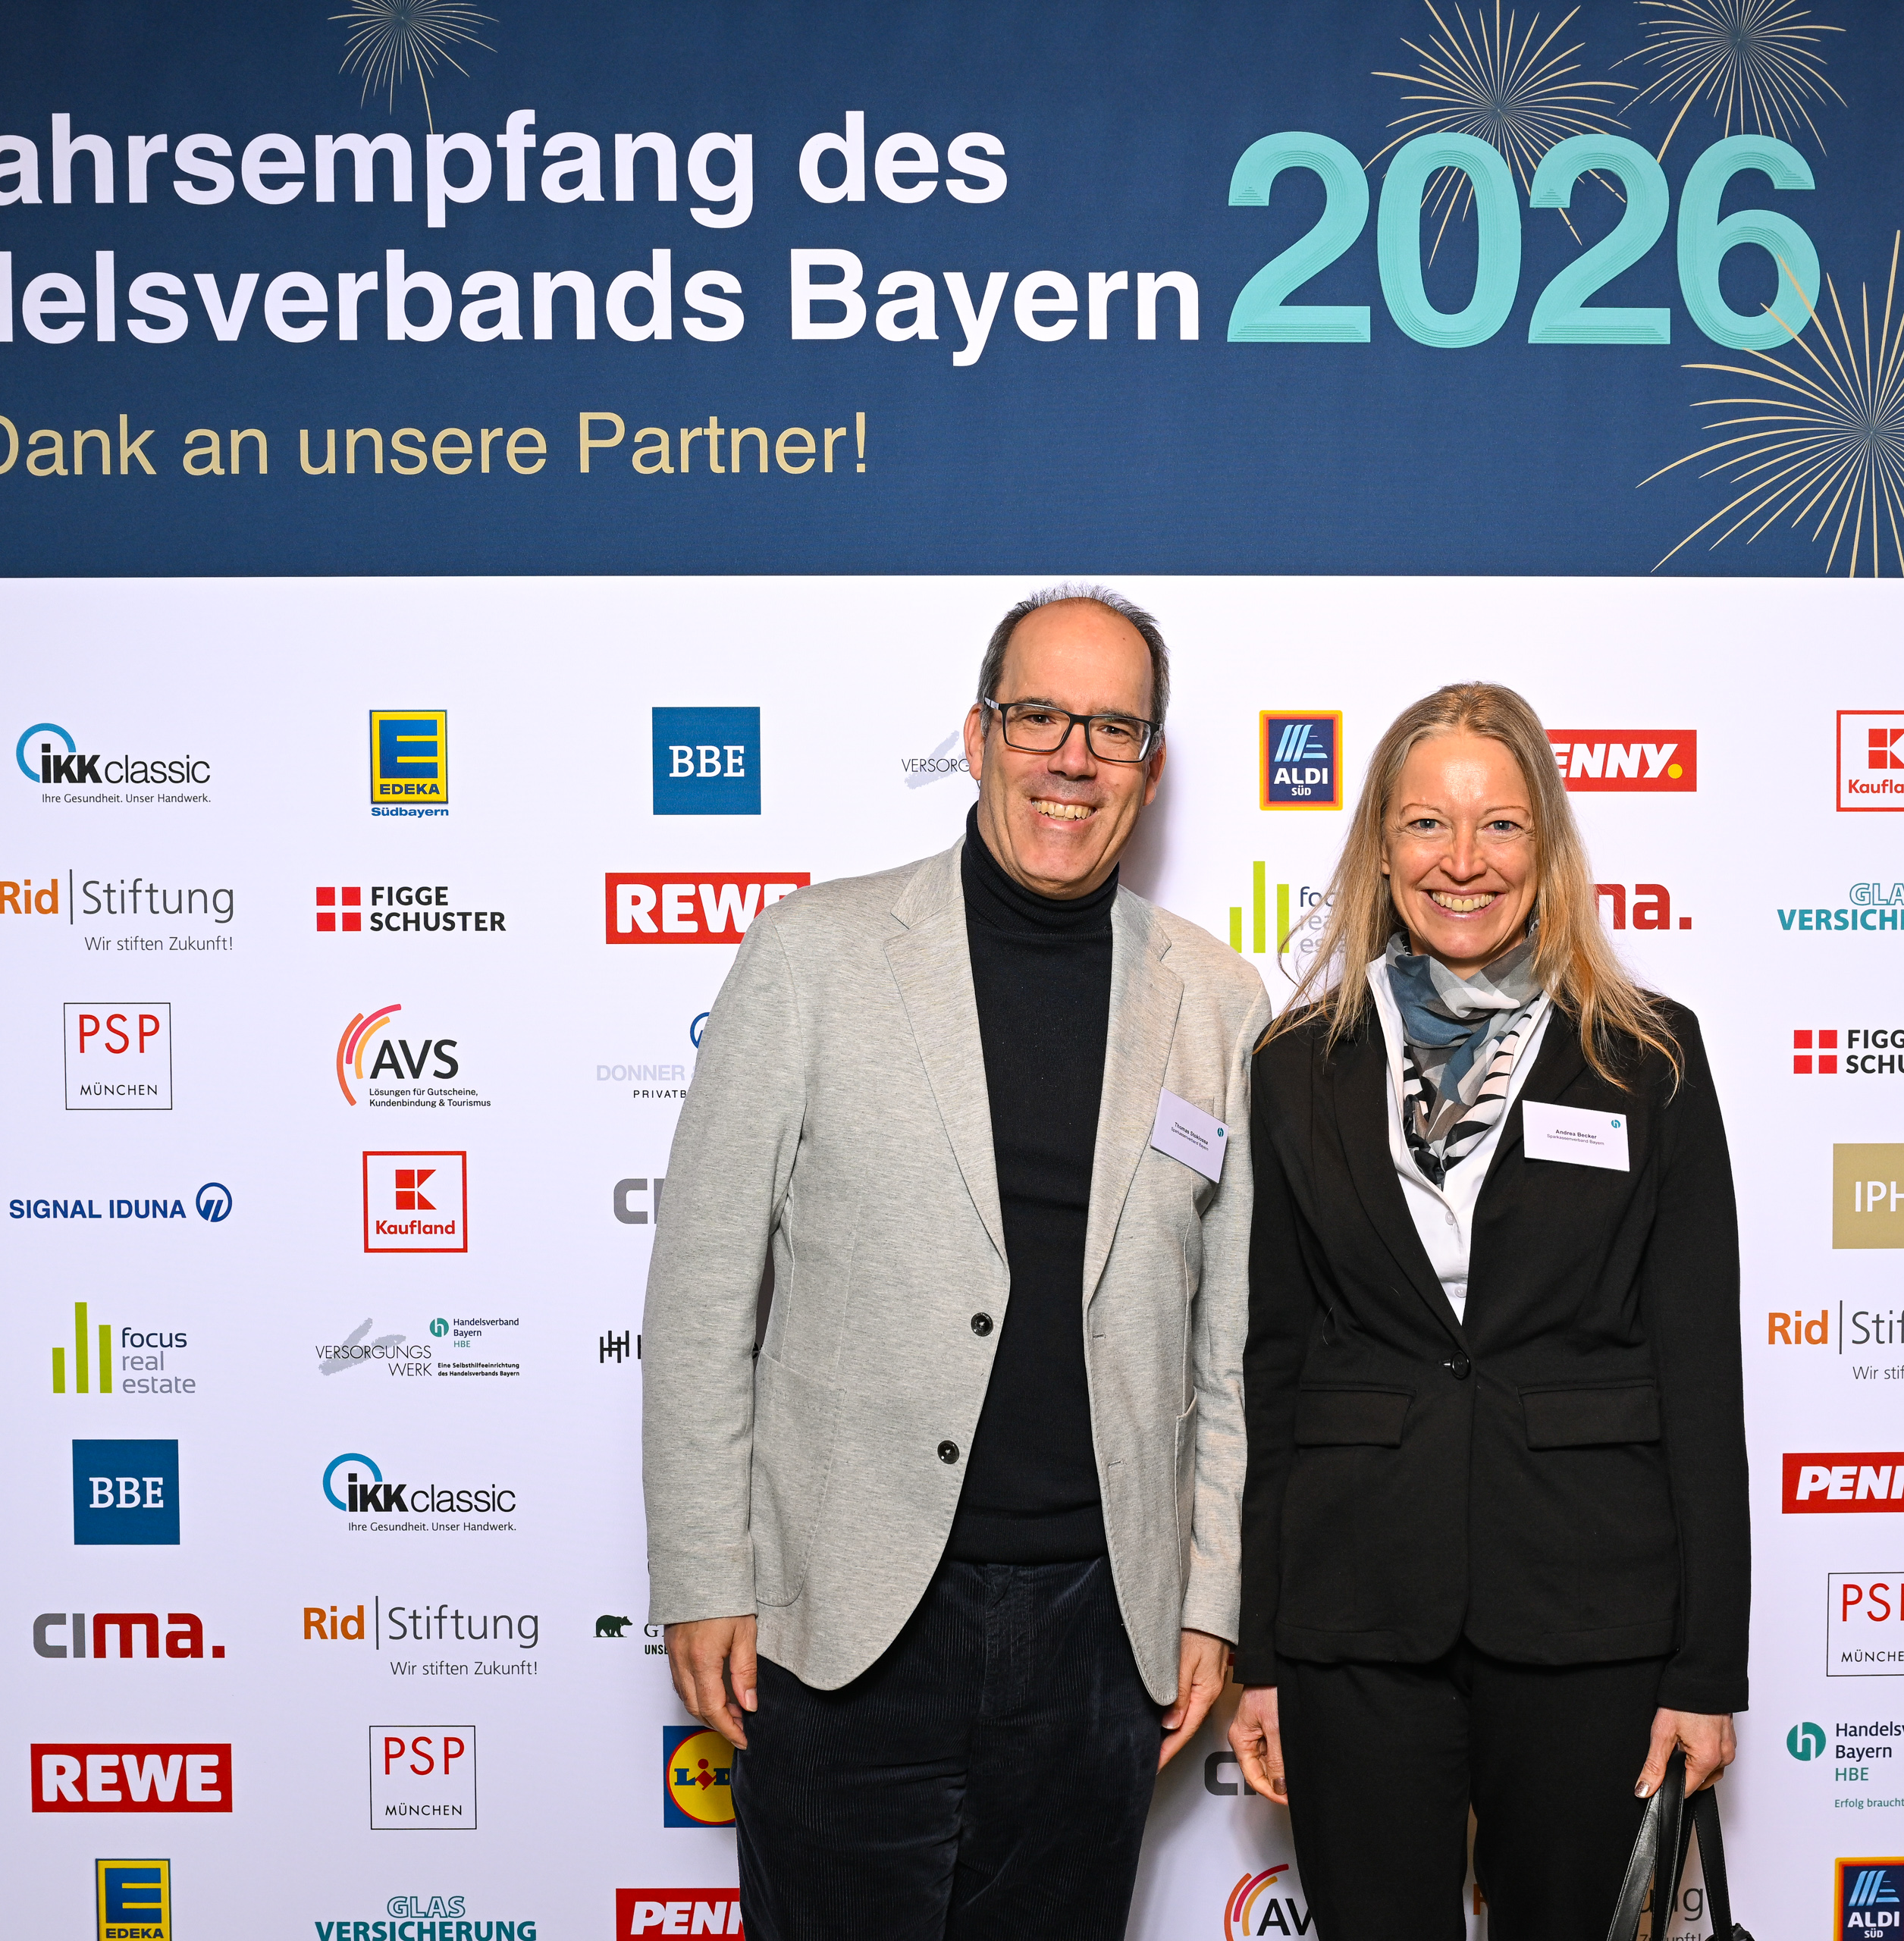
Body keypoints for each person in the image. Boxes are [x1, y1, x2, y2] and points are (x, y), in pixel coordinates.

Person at [641, 585, 1269, 1941]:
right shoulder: (814, 956)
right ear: (978, 737)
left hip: (1102, 1635)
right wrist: (701, 1574)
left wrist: (1211, 1599)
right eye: (1039, 716)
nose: (1073, 758)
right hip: (847, 1622)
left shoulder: (1219, 1002)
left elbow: (1229, 1349)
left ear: (1151, 766)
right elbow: (700, 1298)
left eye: (1113, 728)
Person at [1224, 682, 1748, 1940]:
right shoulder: (1298, 1064)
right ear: (1380, 847)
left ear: (1546, 846)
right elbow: (1275, 1370)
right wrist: (1263, 1654)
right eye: (1427, 825)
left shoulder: (1647, 1057)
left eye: (1500, 825)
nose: (1463, 861)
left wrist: (1706, 1667)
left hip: (1588, 1610)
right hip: (1355, 1612)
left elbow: (1700, 1374)